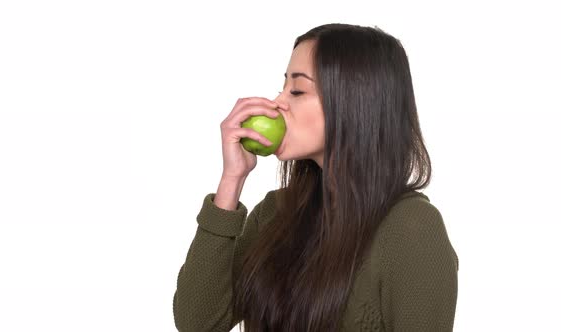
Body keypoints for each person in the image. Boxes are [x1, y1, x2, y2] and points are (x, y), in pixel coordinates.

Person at [173, 23, 459, 332]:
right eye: (283, 86)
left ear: (353, 101)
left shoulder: (412, 229)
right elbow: (197, 323)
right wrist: (232, 179)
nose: (277, 103)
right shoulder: (275, 212)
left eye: (297, 90)